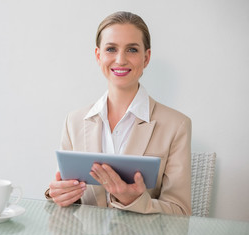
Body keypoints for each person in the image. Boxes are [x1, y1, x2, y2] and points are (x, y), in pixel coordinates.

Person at [45, 11, 191, 215]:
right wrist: (60, 196)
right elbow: (66, 202)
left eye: (132, 49)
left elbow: (181, 212)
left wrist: (136, 201)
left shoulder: (177, 126)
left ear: (146, 57)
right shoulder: (74, 121)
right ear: (98, 56)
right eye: (111, 49)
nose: (120, 60)